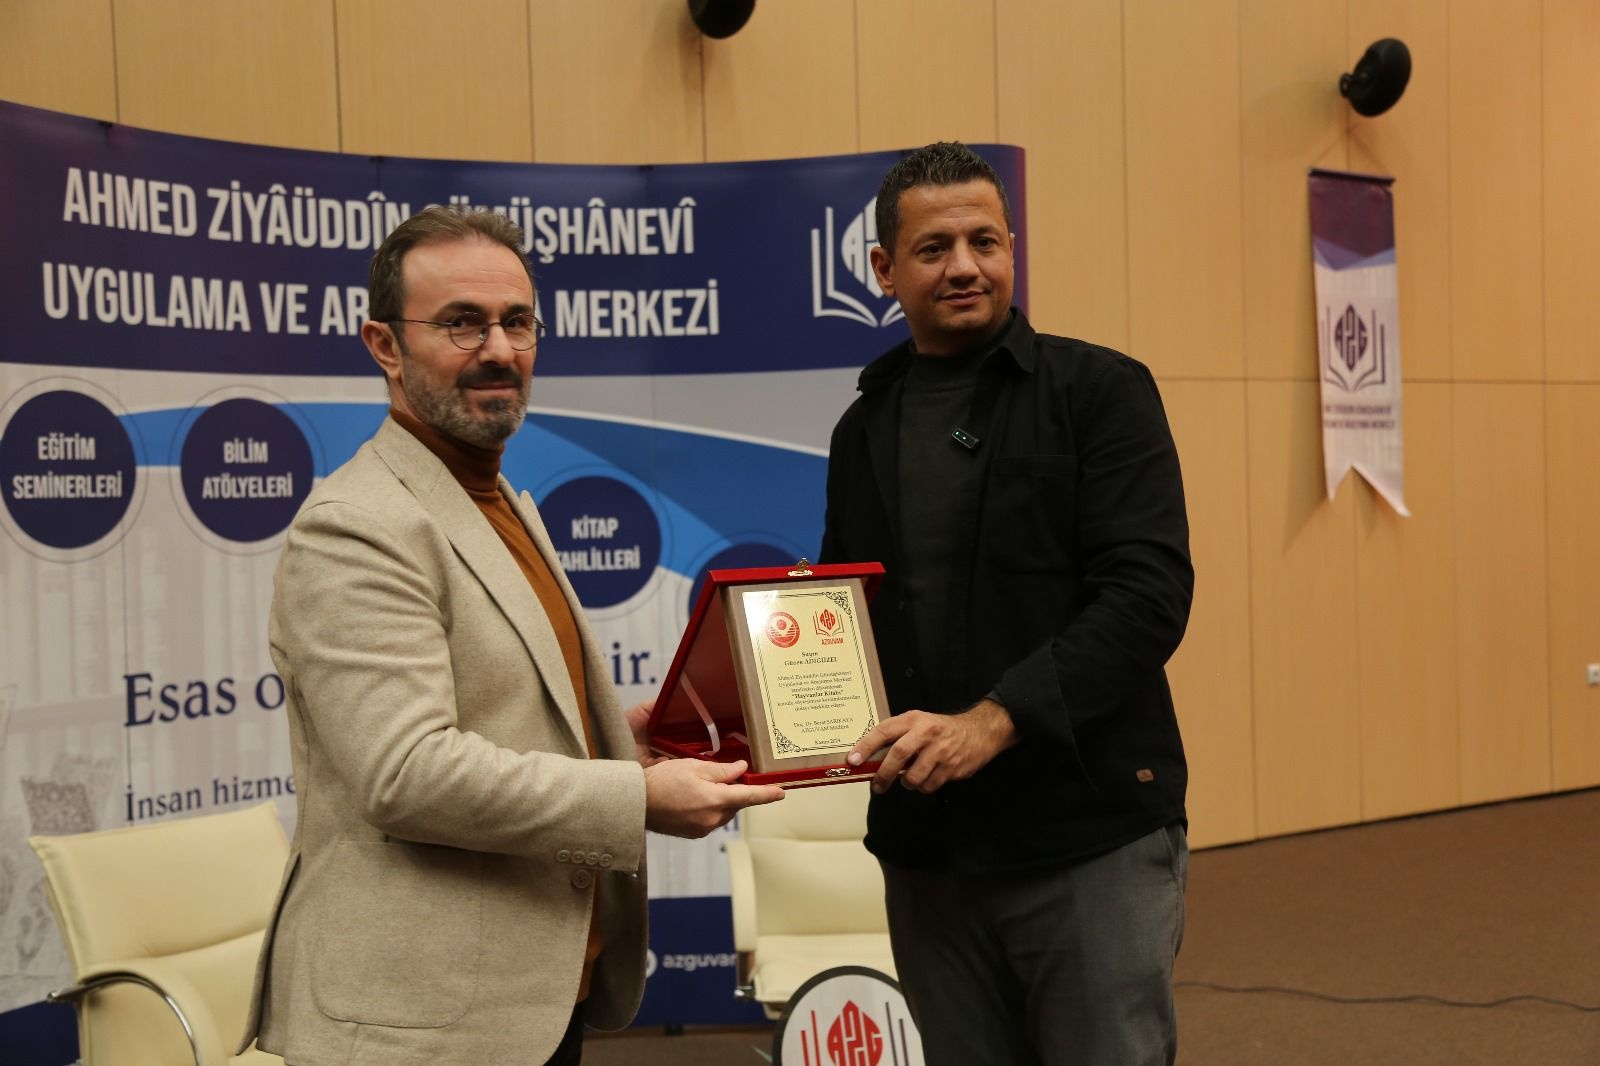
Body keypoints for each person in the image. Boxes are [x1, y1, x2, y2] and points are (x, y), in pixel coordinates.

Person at [238, 206, 784, 1066]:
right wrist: (635, 798)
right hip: (417, 1027)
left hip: (529, 1000)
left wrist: (615, 743)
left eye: (517, 321)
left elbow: (493, 716)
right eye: (462, 323)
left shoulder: (499, 502)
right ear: (384, 345)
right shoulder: (356, 525)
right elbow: (405, 772)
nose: (499, 349)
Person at [825, 142, 1193, 1065]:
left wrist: (993, 722)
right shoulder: (863, 427)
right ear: (884, 269)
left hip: (1086, 837)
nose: (964, 266)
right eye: (933, 248)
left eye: (984, 242)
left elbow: (1148, 598)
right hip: (928, 850)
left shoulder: (1099, 392)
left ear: (1012, 249)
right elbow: (846, 613)